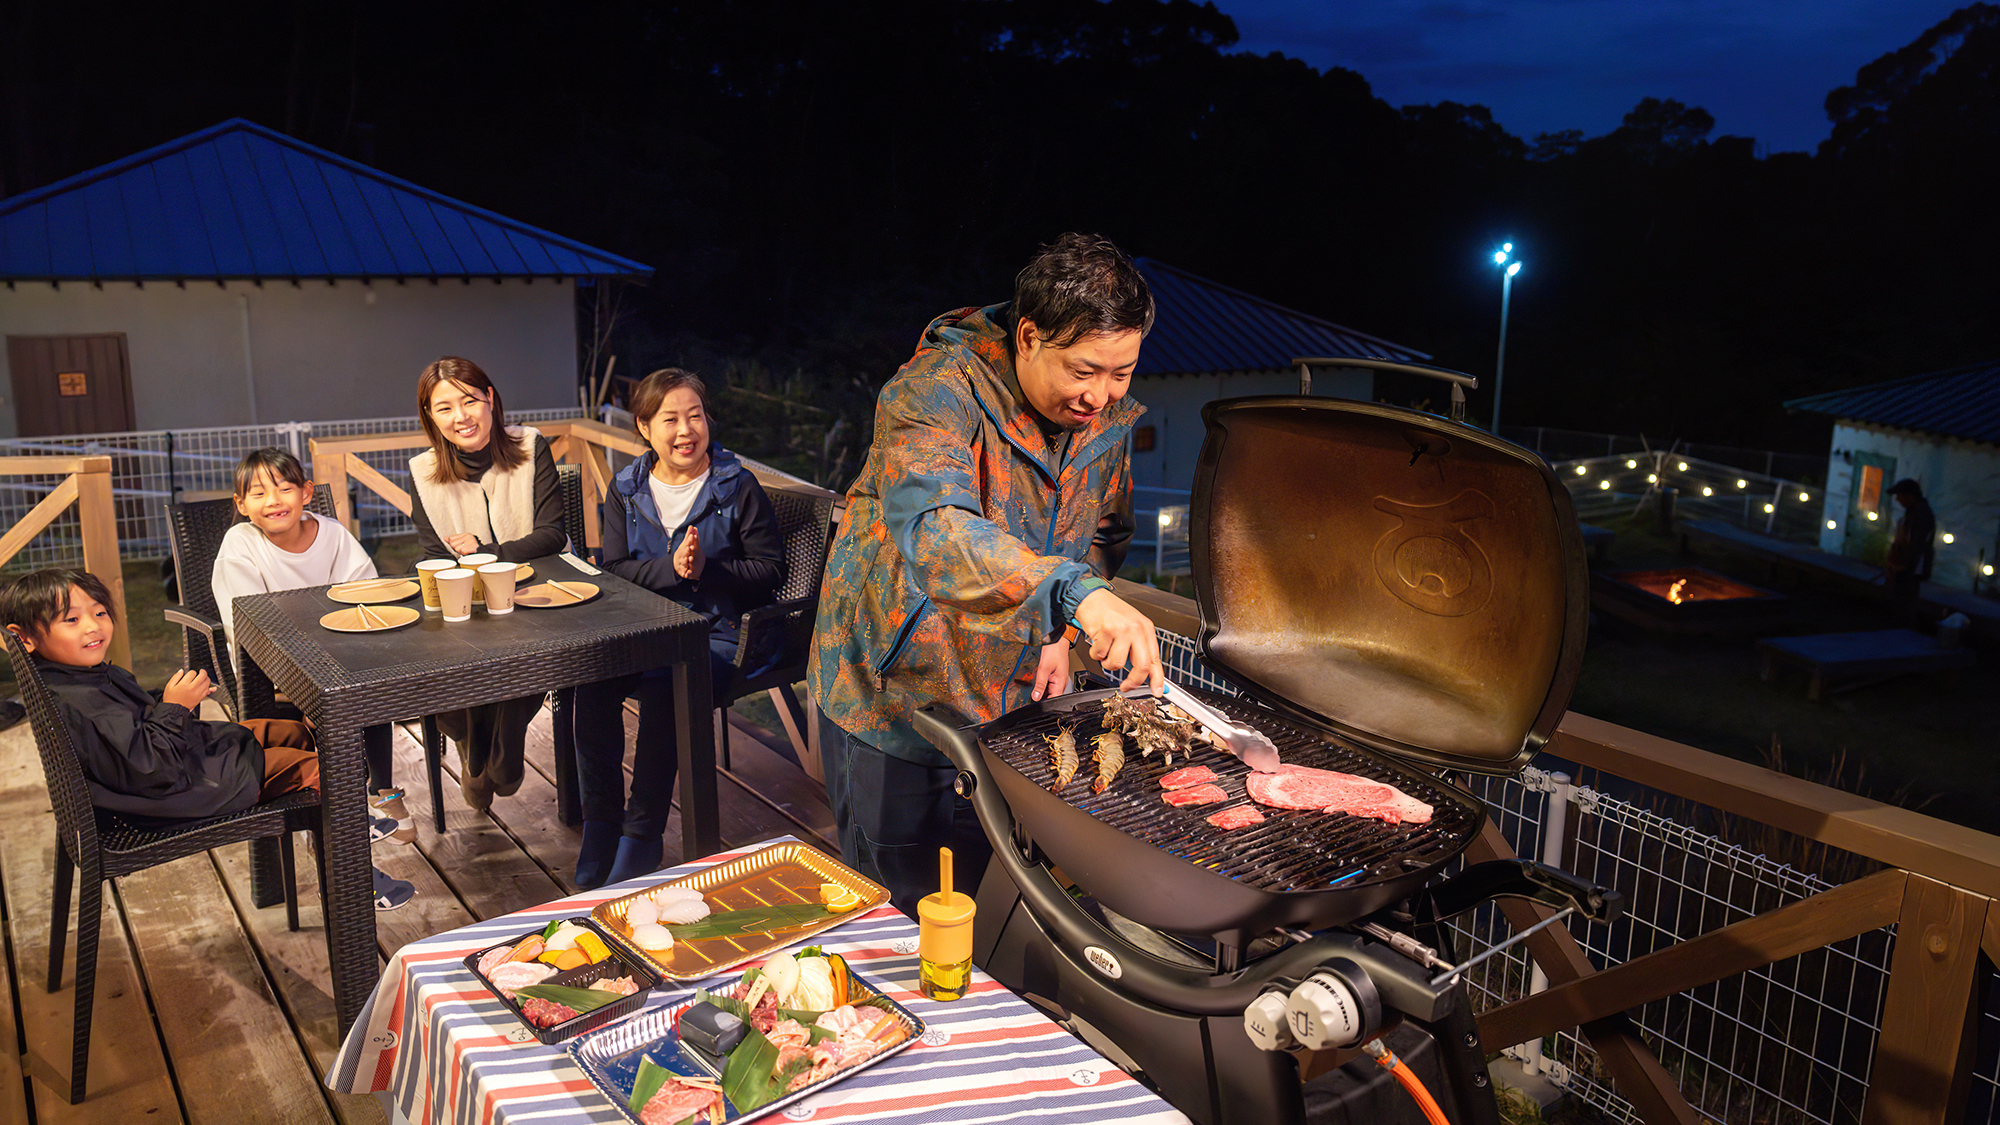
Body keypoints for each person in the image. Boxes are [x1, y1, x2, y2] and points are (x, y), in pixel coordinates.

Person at [809, 232, 1167, 913]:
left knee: (982, 895)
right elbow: (938, 532)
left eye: (1122, 372)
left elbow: (1102, 531)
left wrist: (1060, 631)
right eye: (1085, 370)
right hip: (894, 693)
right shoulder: (932, 394)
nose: (1102, 395)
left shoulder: (1103, 416)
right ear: (1029, 335)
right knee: (897, 907)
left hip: (1009, 698)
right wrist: (1072, 595)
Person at [3, 568, 415, 909]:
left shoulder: (74, 679)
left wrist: (174, 704)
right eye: (72, 620)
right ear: (25, 637)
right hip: (183, 790)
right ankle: (356, 881)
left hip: (188, 763)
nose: (93, 627)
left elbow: (138, 739)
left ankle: (340, 833)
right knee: (322, 770)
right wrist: (176, 707)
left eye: (98, 612)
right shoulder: (84, 703)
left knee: (293, 731)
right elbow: (151, 769)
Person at [572, 368, 783, 888]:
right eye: (671, 419)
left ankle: (641, 836)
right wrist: (673, 568)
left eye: (695, 416)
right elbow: (614, 569)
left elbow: (770, 573)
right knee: (591, 682)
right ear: (645, 428)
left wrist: (708, 568)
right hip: (643, 632)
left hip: (718, 635)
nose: (686, 430)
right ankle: (602, 824)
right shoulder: (626, 487)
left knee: (669, 685)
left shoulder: (736, 485)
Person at [211, 448, 416, 843]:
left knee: (368, 684)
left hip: (339, 655)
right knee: (337, 699)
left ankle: (381, 787)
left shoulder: (332, 534)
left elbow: (366, 592)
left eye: (284, 489)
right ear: (240, 504)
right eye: (258, 494)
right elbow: (250, 623)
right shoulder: (241, 544)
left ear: (305, 493)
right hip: (269, 667)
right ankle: (335, 810)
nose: (273, 501)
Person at [409, 356, 568, 811]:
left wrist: (488, 551)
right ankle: (484, 753)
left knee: (521, 647)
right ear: (430, 418)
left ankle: (487, 756)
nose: (460, 417)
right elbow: (434, 553)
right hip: (464, 605)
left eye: (469, 401)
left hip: (536, 593)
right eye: (444, 408)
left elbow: (552, 534)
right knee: (442, 656)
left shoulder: (530, 446)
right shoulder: (423, 471)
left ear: (490, 400)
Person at [1884, 478, 1936, 601]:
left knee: (1903, 602)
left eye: (1899, 496)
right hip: (1906, 568)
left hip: (1909, 570)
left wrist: (1902, 566)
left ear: (1910, 496)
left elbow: (1916, 546)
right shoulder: (1914, 512)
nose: (1897, 500)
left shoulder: (1920, 515)